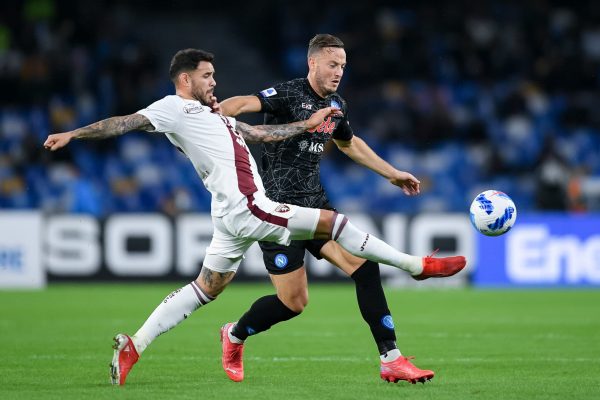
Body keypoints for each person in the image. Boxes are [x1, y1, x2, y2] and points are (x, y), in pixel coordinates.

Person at [44, 48, 465, 386]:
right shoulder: (172, 107)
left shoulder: (215, 118)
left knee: (207, 288)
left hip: (232, 214)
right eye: (207, 76)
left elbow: (263, 133)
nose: (215, 83)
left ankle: (136, 344)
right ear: (186, 79)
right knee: (335, 225)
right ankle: (415, 266)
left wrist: (307, 125)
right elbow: (123, 122)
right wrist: (73, 133)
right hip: (253, 206)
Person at [218, 34, 464, 384]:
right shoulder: (288, 94)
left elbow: (349, 144)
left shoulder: (336, 105)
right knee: (292, 303)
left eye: (343, 67)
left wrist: (392, 174)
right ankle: (234, 335)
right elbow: (242, 103)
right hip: (278, 214)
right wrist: (212, 118)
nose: (338, 72)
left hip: (317, 208)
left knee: (365, 270)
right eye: (332, 65)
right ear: (313, 63)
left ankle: (390, 359)